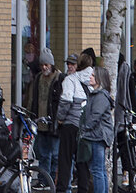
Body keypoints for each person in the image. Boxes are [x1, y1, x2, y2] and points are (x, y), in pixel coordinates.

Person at [56, 52, 93, 193]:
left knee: (65, 160)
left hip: (70, 125)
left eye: (72, 64)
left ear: (79, 66)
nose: (69, 66)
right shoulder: (92, 80)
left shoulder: (70, 80)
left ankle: (62, 190)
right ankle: (83, 189)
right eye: (68, 64)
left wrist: (60, 118)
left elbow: (66, 101)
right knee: (82, 162)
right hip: (85, 127)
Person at [25, 47, 62, 180]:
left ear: (52, 64)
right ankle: (43, 179)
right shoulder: (38, 78)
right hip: (40, 122)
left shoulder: (59, 78)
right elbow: (32, 99)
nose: (44, 67)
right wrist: (30, 116)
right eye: (42, 65)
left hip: (54, 123)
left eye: (46, 65)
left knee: (56, 154)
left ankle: (53, 179)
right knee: (43, 154)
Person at [79, 66, 114, 193]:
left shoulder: (100, 96)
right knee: (100, 169)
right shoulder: (97, 94)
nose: (90, 77)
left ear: (99, 78)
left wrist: (84, 129)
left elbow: (95, 116)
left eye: (93, 75)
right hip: (97, 135)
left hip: (97, 136)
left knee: (97, 170)